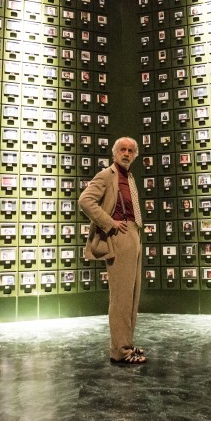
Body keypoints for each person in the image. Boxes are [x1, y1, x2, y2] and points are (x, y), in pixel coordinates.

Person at [79, 136, 146, 365]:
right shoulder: (106, 175)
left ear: (135, 155)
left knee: (132, 296)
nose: (126, 153)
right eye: (122, 150)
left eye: (130, 150)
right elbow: (85, 200)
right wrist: (109, 223)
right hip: (120, 235)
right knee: (121, 298)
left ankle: (125, 343)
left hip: (134, 233)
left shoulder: (129, 177)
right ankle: (120, 351)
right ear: (115, 153)